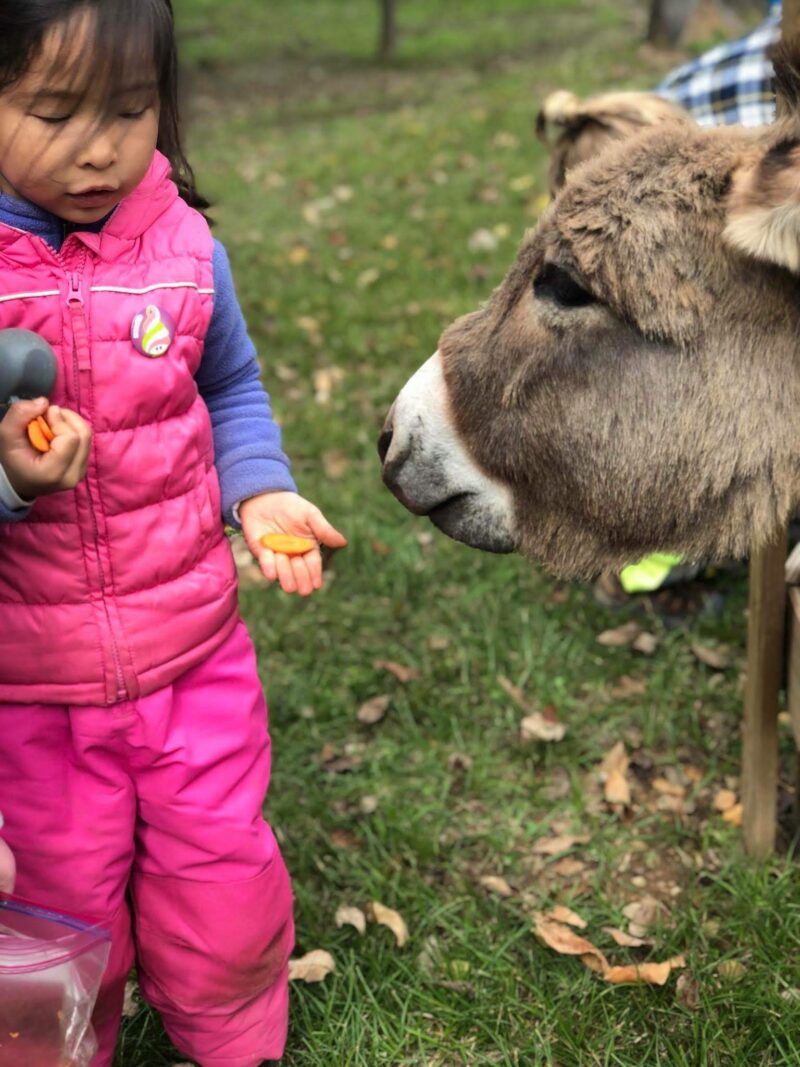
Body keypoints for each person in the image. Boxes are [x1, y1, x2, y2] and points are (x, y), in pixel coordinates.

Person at [0, 2, 347, 1065]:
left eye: (130, 108)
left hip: (196, 657)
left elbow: (228, 383)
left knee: (223, 882)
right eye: (54, 113)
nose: (99, 147)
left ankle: (234, 1039)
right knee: (60, 916)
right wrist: (10, 481)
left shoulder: (185, 250)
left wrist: (259, 491)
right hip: (32, 692)